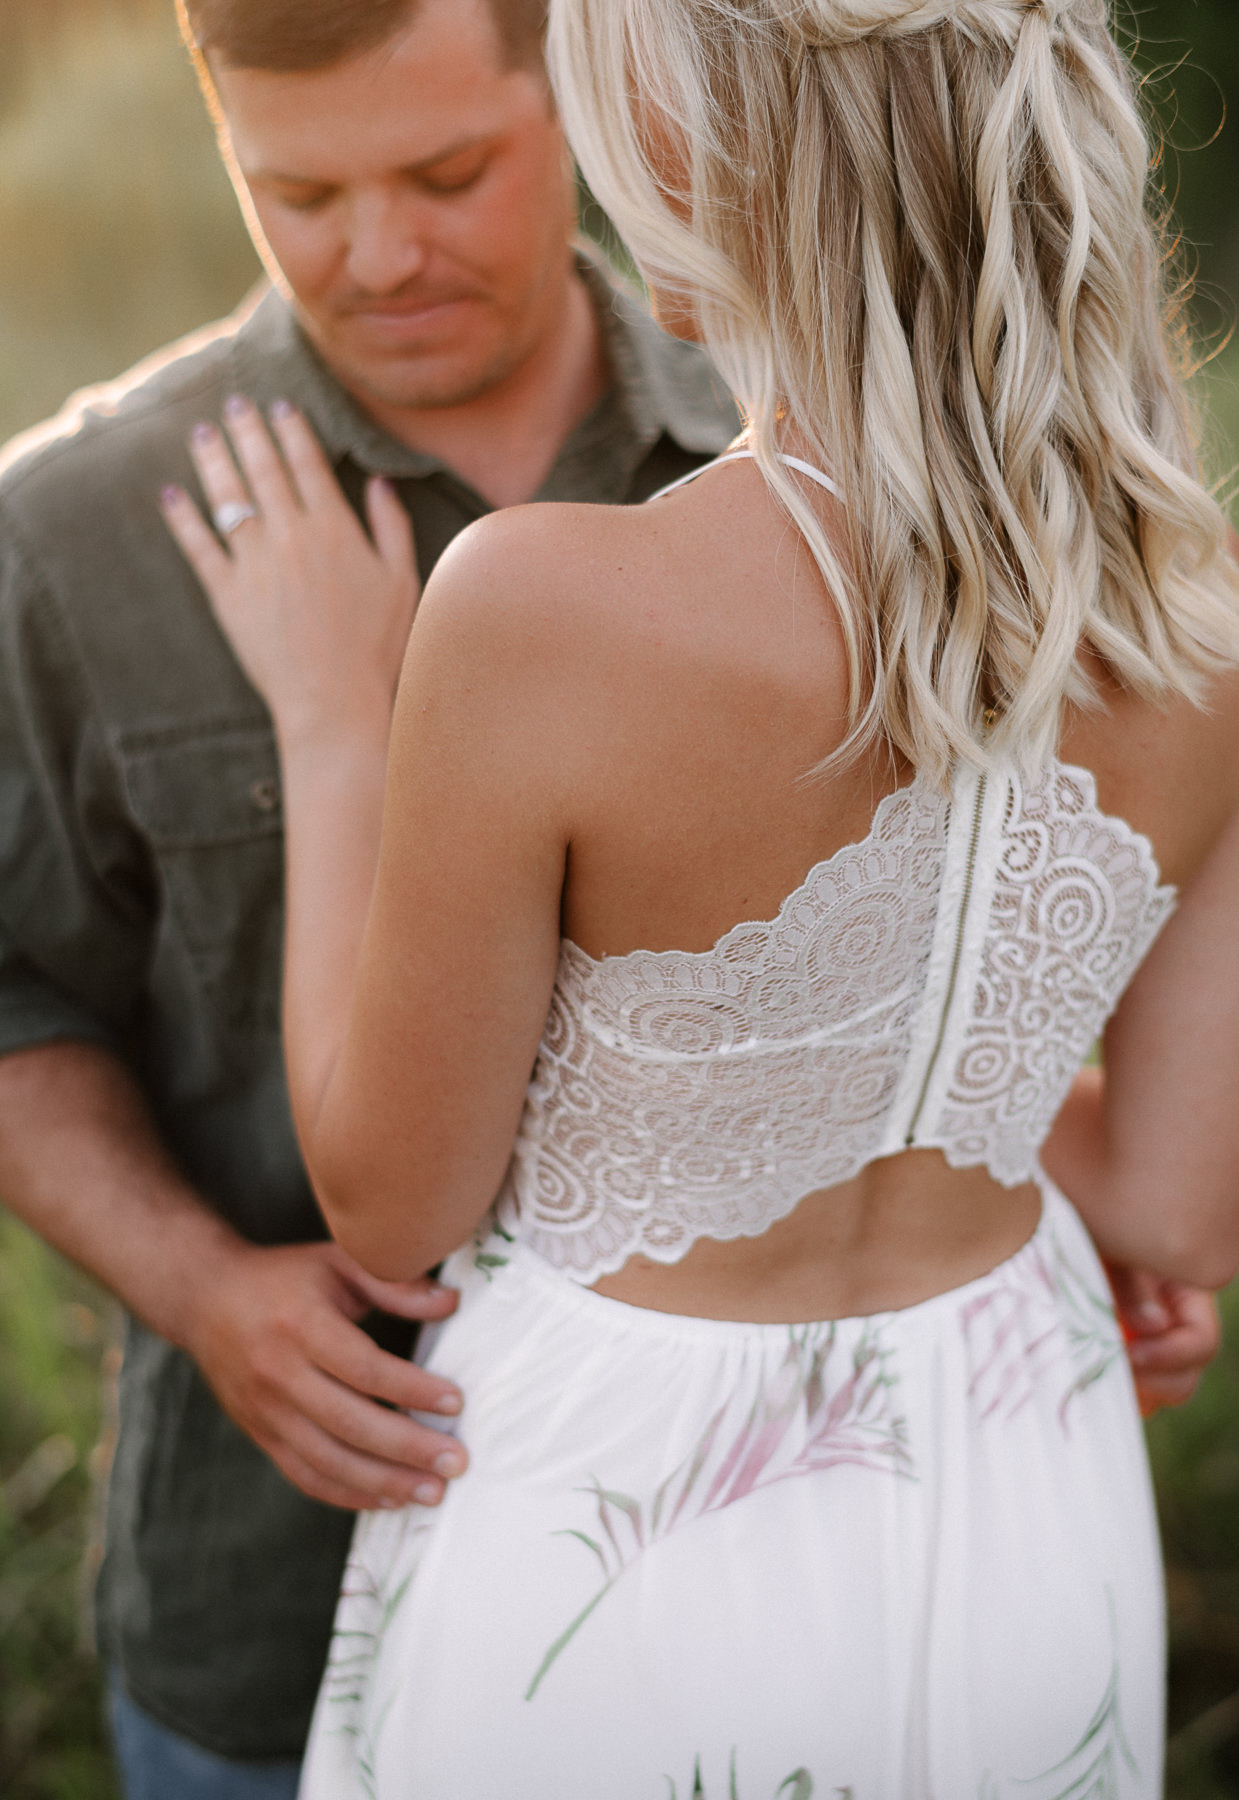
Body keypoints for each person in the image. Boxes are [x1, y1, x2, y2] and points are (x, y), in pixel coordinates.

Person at [160, 0, 1239, 1792]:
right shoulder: (1207, 607)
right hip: (1017, 1477)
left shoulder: (543, 610)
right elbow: (1178, 1209)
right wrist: (946, 1061)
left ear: (695, 156)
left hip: (634, 1524)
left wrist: (330, 725)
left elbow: (392, 1200)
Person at [0, 0, 742, 1791]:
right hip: (278, 1609)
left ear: (572, 101)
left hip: (734, 1590)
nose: (381, 253)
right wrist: (202, 1290)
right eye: (298, 193)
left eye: (446, 172)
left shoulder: (784, 465)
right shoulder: (70, 533)